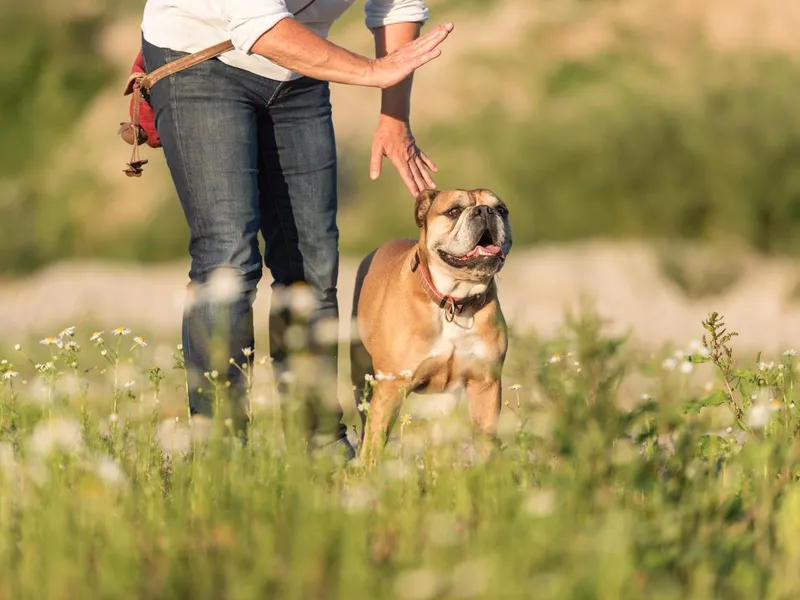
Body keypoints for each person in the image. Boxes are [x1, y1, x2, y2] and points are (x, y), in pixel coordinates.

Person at [137, 0, 452, 458]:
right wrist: (370, 71)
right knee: (228, 259)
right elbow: (256, 24)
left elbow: (397, 4)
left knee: (313, 265)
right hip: (199, 55)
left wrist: (394, 115)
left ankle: (319, 444)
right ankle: (219, 454)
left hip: (297, 71)